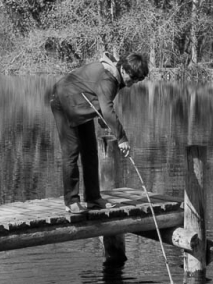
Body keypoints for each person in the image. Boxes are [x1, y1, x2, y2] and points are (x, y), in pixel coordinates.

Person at [50, 52, 149, 214]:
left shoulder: (116, 75)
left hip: (80, 105)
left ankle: (93, 198)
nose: (133, 83)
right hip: (63, 103)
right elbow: (108, 110)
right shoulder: (108, 78)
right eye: (133, 79)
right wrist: (122, 138)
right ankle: (71, 201)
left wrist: (102, 116)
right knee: (71, 153)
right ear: (124, 70)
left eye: (138, 80)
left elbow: (100, 98)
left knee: (90, 152)